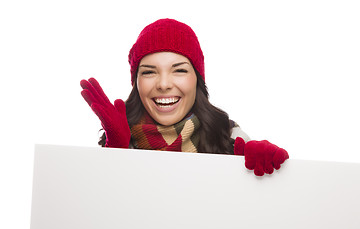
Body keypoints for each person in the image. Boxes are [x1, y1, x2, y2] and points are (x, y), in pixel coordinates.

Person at [80, 18, 289, 176]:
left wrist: (264, 178)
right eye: (149, 72)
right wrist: (116, 153)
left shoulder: (229, 137)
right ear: (136, 83)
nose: (163, 84)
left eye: (179, 70)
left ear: (196, 79)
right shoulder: (119, 137)